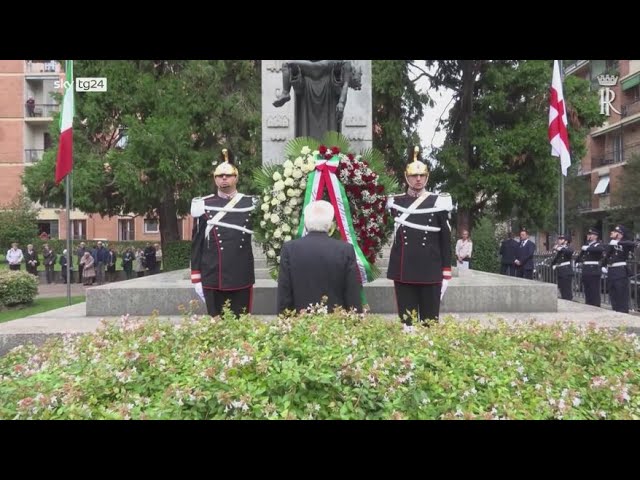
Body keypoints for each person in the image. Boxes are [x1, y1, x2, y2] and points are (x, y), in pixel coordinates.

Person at [386, 146, 453, 325]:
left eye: (422, 175)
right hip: (404, 269)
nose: (418, 179)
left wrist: (446, 269)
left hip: (430, 269)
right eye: (414, 176)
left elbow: (445, 239)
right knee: (407, 322)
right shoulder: (395, 202)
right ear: (406, 177)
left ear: (427, 177)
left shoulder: (438, 202)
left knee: (430, 322)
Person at [191, 148, 256, 317]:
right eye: (220, 175)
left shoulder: (251, 203)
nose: (224, 178)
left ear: (236, 177)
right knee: (217, 325)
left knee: (241, 323)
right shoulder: (202, 204)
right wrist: (196, 275)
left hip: (241, 273)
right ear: (215, 179)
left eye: (228, 175)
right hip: (213, 274)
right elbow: (197, 243)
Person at [277, 200, 362, 315]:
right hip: (335, 323)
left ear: (306, 222)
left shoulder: (290, 249)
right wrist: (356, 322)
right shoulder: (345, 250)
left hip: (299, 323)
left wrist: (283, 321)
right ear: (330, 224)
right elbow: (352, 293)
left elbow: (284, 293)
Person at [272, 60, 362, 139]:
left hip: (318, 69)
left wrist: (341, 103)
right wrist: (341, 103)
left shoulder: (346, 64)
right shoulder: (347, 65)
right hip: (318, 68)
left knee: (287, 64)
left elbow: (345, 86)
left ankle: (285, 92)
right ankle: (285, 93)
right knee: (287, 64)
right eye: (357, 79)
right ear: (353, 73)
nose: (356, 81)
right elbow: (345, 86)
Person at [603, 225, 639, 314]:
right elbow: (606, 256)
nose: (612, 232)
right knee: (613, 294)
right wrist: (603, 265)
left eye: (615, 232)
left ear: (620, 235)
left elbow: (633, 244)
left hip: (620, 272)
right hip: (611, 272)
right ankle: (615, 312)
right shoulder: (611, 243)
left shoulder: (624, 243)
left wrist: (618, 243)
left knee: (621, 295)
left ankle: (623, 313)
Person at [576, 227, 604, 307]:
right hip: (586, 270)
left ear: (596, 236)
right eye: (589, 235)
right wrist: (577, 262)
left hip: (593, 270)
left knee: (594, 291)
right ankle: (588, 305)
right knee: (587, 291)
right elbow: (581, 256)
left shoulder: (598, 244)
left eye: (591, 235)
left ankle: (596, 307)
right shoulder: (586, 245)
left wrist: (588, 248)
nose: (589, 236)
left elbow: (600, 249)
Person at [550, 233, 574, 300]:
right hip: (560, 271)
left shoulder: (568, 248)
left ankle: (569, 302)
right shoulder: (559, 249)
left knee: (567, 290)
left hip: (566, 271)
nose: (559, 240)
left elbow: (569, 251)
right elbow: (556, 258)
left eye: (561, 239)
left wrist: (559, 248)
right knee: (562, 289)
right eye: (559, 239)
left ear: (566, 241)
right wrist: (553, 264)